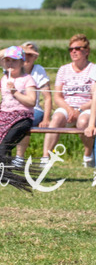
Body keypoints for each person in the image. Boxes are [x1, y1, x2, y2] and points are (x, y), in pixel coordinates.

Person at [0, 46, 37, 184]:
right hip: (4, 115)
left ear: (22, 62)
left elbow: (32, 101)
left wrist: (15, 92)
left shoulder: (28, 79)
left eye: (14, 61)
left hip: (23, 116)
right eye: (8, 60)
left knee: (5, 142)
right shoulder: (4, 78)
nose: (10, 64)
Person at [42, 34, 95, 167]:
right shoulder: (63, 70)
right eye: (71, 49)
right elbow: (57, 96)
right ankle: (45, 157)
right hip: (67, 106)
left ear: (86, 51)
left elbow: (95, 97)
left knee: (83, 122)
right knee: (57, 118)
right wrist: (69, 109)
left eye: (77, 48)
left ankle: (88, 154)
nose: (74, 51)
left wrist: (80, 109)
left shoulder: (93, 69)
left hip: (87, 107)